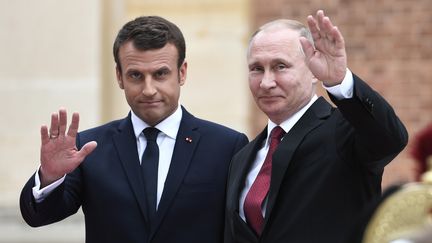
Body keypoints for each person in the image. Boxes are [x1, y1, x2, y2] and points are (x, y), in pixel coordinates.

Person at [20, 16, 249, 243]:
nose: (149, 90)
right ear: (119, 77)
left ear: (182, 73)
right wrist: (50, 177)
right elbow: (39, 216)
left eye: (160, 74)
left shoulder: (227, 146)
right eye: (136, 75)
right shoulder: (89, 148)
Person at [224, 10, 408, 243]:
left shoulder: (345, 131)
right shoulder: (243, 157)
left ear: (313, 71)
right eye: (256, 69)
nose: (266, 82)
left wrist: (339, 81)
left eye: (280, 66)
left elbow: (390, 138)